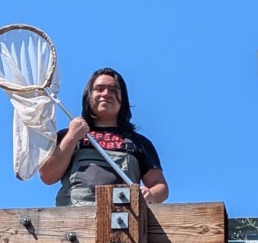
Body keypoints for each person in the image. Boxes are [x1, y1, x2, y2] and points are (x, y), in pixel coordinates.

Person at [39, 67, 168, 206]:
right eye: (99, 89)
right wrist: (71, 137)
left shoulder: (139, 143)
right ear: (88, 96)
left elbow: (160, 185)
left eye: (113, 90)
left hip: (122, 219)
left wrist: (151, 195)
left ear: (123, 99)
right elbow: (48, 175)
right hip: (73, 219)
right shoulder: (66, 136)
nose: (106, 94)